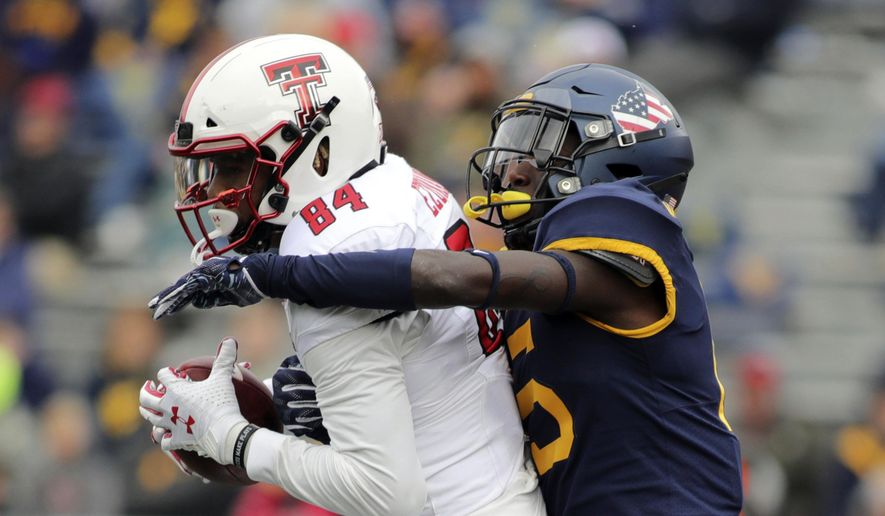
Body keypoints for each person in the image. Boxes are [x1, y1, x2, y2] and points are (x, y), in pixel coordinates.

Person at [153, 63, 745, 514]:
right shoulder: (537, 286)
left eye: (544, 143)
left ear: (613, 159)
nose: (514, 165)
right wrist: (331, 413)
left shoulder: (625, 218)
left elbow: (459, 277)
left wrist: (274, 275)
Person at [138, 34, 544, 516]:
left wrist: (232, 437)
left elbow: (386, 494)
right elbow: (422, 367)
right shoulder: (397, 181)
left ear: (319, 152)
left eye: (232, 164)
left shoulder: (326, 245)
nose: (218, 190)